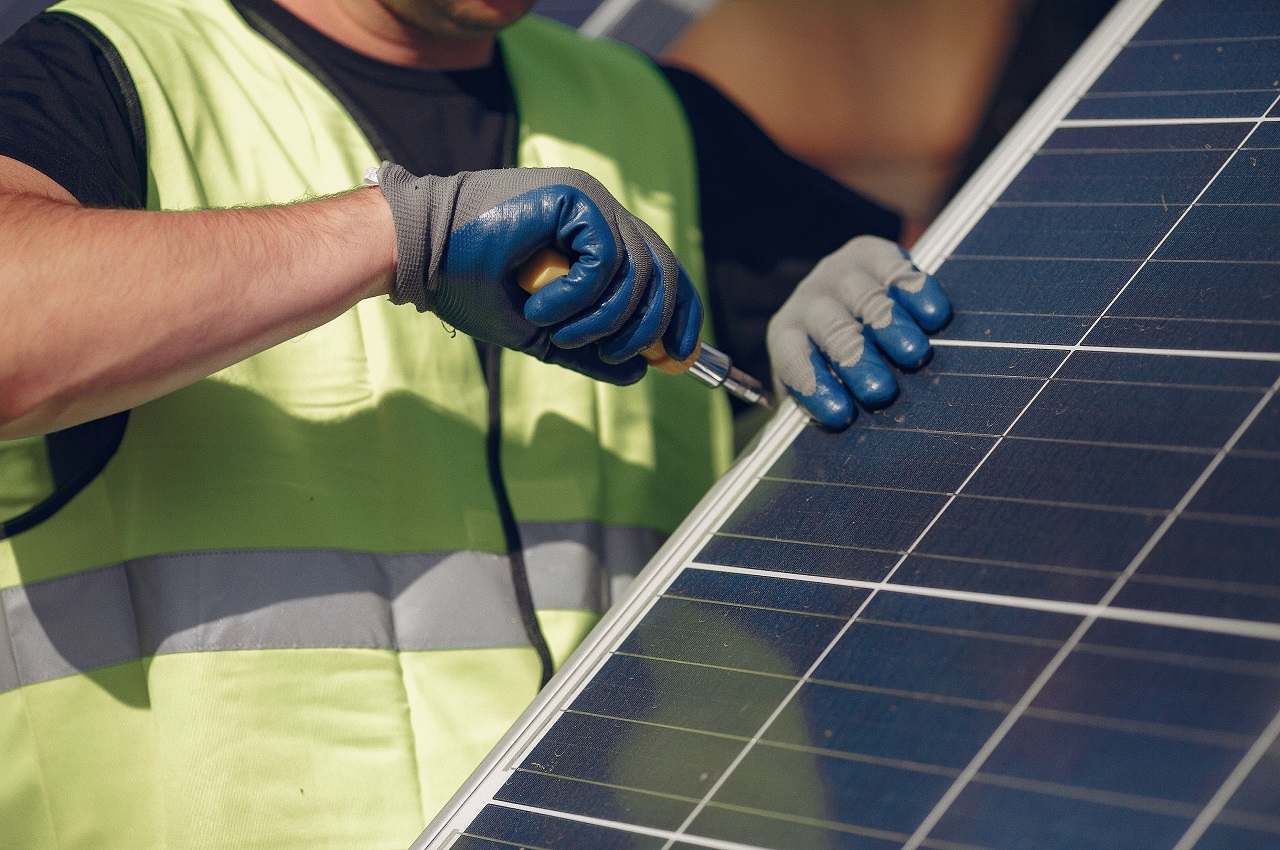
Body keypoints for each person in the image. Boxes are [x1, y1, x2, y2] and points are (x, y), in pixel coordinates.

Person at [0, 1, 950, 846]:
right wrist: (397, 236)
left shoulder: (660, 114)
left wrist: (885, 311)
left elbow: (983, 422)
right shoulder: (107, 69)